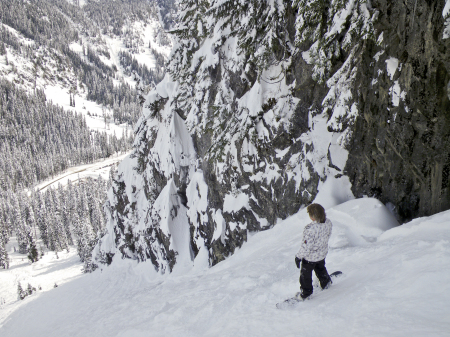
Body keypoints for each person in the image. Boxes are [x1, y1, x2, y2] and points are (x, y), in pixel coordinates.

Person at [294, 203, 333, 300]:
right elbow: (327, 236)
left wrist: (298, 257)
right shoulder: (328, 223)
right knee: (320, 268)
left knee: (305, 275)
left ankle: (306, 293)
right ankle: (325, 282)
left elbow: (306, 247)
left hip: (310, 258)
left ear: (313, 216)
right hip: (322, 253)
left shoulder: (310, 229)